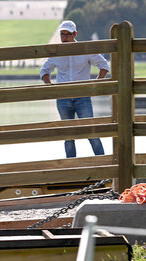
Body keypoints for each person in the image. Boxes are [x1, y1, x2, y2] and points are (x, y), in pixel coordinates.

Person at [40, 20, 110, 158]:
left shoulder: (85, 50)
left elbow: (104, 66)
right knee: (68, 135)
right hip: (63, 98)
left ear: (75, 34)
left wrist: (95, 84)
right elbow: (44, 71)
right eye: (62, 34)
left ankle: (104, 165)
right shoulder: (57, 52)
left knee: (91, 132)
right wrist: (50, 86)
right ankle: (71, 167)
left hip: (82, 97)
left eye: (68, 34)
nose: (65, 37)